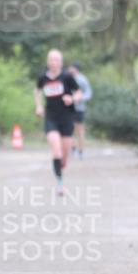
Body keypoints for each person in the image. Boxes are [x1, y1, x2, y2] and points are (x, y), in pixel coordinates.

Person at [34, 49, 82, 195]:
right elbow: (37, 90)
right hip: (51, 118)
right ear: (48, 62)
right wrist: (39, 105)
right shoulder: (43, 78)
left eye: (57, 60)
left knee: (64, 157)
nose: (54, 63)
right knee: (56, 150)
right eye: (51, 60)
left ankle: (61, 166)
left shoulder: (67, 77)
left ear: (61, 63)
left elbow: (79, 93)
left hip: (66, 117)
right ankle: (60, 185)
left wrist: (72, 99)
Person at [67, 62, 92, 158]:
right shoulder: (67, 78)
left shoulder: (82, 79)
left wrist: (80, 98)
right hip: (68, 108)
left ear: (76, 69)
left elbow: (88, 93)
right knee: (69, 129)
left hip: (79, 108)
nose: (69, 70)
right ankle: (73, 148)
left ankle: (81, 150)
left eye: (71, 68)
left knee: (80, 130)